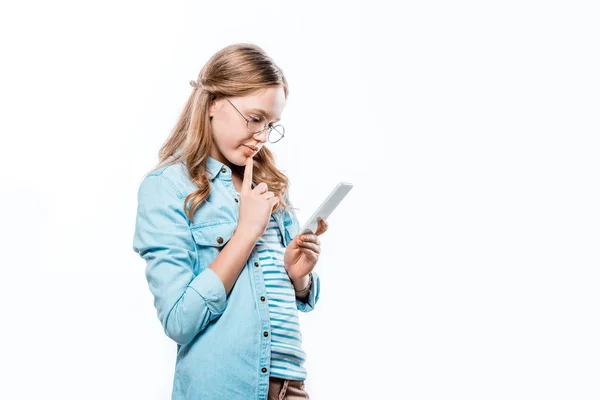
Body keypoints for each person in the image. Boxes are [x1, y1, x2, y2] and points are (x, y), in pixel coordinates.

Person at [132, 43, 328, 400]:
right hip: (225, 389)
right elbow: (179, 321)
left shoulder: (268, 186)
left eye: (271, 125)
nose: (261, 137)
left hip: (290, 388)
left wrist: (298, 279)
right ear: (213, 104)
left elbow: (278, 296)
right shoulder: (168, 189)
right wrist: (245, 234)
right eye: (254, 119)